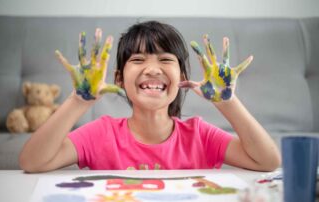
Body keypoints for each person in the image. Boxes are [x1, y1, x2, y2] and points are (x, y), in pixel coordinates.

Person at [19, 21, 281, 172]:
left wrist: (228, 102)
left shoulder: (199, 136)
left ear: (181, 78)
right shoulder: (102, 134)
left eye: (166, 60)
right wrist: (79, 100)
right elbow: (32, 162)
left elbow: (268, 161)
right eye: (138, 60)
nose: (153, 69)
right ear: (119, 78)